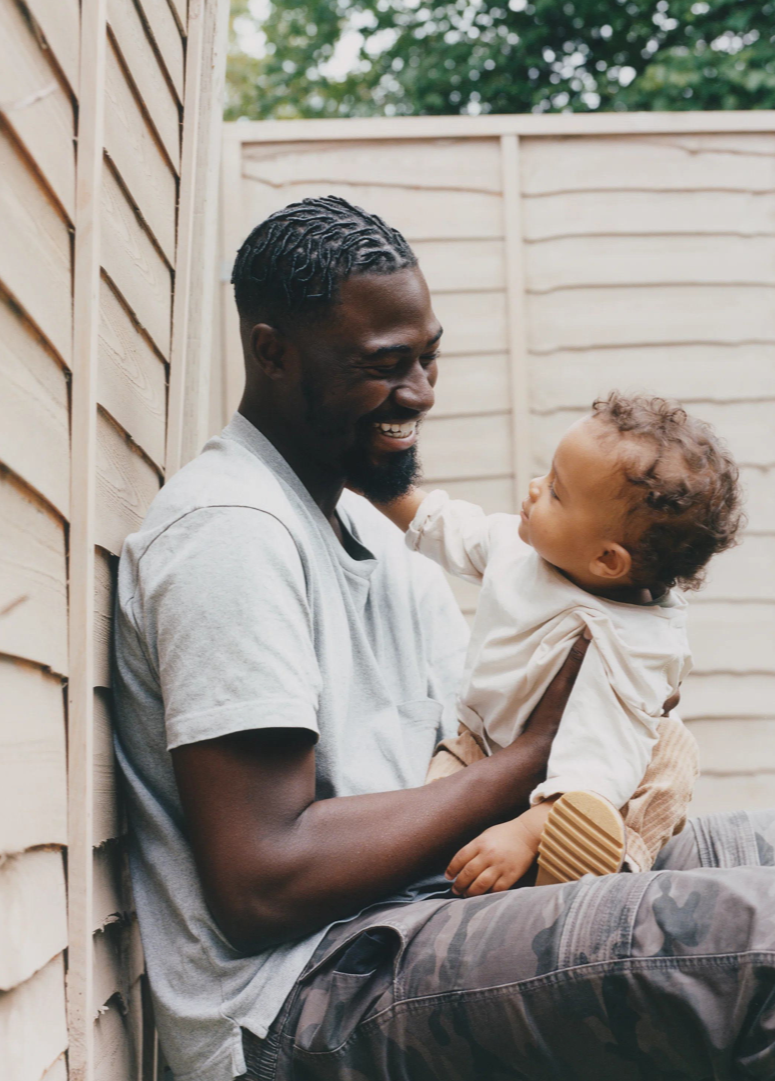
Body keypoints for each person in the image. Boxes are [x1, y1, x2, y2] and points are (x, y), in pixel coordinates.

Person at [113, 196, 775, 1081]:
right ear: (272, 352)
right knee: (757, 936)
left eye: (427, 357)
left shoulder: (376, 531)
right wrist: (534, 757)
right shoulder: (230, 532)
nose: (420, 393)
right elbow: (261, 882)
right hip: (303, 998)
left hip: (434, 903)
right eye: (386, 366)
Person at [370, 393, 742, 894]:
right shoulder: (518, 550)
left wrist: (532, 825)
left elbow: (602, 751)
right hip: (480, 747)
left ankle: (605, 859)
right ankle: (488, 863)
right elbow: (444, 527)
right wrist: (373, 486)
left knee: (670, 758)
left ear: (608, 561)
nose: (533, 488)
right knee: (437, 799)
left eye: (556, 493)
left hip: (593, 773)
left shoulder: (631, 643)